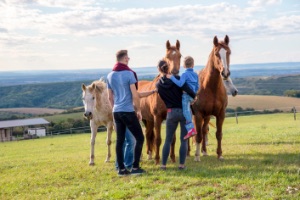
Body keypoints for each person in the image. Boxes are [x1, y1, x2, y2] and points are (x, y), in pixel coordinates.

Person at [107, 50, 149, 176]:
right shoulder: (129, 74)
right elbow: (135, 95)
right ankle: (135, 168)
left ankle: (121, 169)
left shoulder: (110, 76)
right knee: (140, 138)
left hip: (116, 112)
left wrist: (115, 110)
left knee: (120, 141)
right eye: (128, 58)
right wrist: (138, 110)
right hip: (128, 111)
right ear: (125, 58)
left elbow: (110, 97)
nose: (128, 59)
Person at [156, 59, 196, 170]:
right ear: (169, 67)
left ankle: (163, 165)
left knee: (168, 139)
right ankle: (181, 165)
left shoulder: (158, 84)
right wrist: (194, 97)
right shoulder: (177, 79)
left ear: (159, 69)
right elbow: (188, 90)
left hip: (170, 112)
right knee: (183, 139)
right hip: (184, 111)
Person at [166, 56, 199, 140]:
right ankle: (190, 129)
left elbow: (180, 84)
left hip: (185, 96)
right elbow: (197, 86)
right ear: (193, 65)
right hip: (192, 95)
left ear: (184, 66)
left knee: (185, 112)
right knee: (188, 111)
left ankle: (191, 130)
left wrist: (172, 77)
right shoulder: (195, 74)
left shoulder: (184, 74)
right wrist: (193, 96)